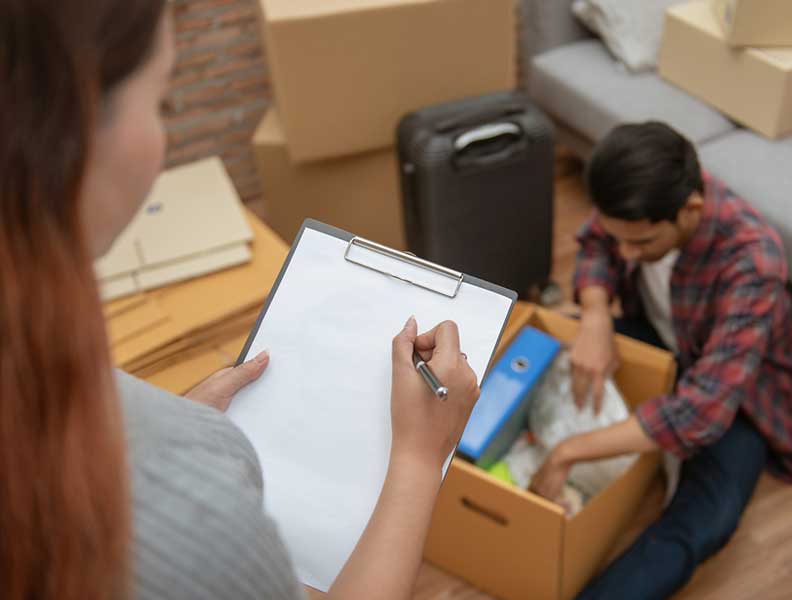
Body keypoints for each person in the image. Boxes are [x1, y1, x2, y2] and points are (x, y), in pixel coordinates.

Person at [0, 2, 480, 599]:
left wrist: (178, 419)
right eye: (161, 102)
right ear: (64, 134)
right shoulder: (188, 521)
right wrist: (416, 456)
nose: (164, 139)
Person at [528, 122, 792, 599]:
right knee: (550, 340)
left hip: (734, 393)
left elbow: (700, 412)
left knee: (706, 520)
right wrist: (597, 316)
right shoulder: (637, 203)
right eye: (620, 238)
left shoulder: (753, 262)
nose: (626, 252)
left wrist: (569, 451)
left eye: (640, 244)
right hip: (659, 340)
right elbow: (598, 243)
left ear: (691, 211)